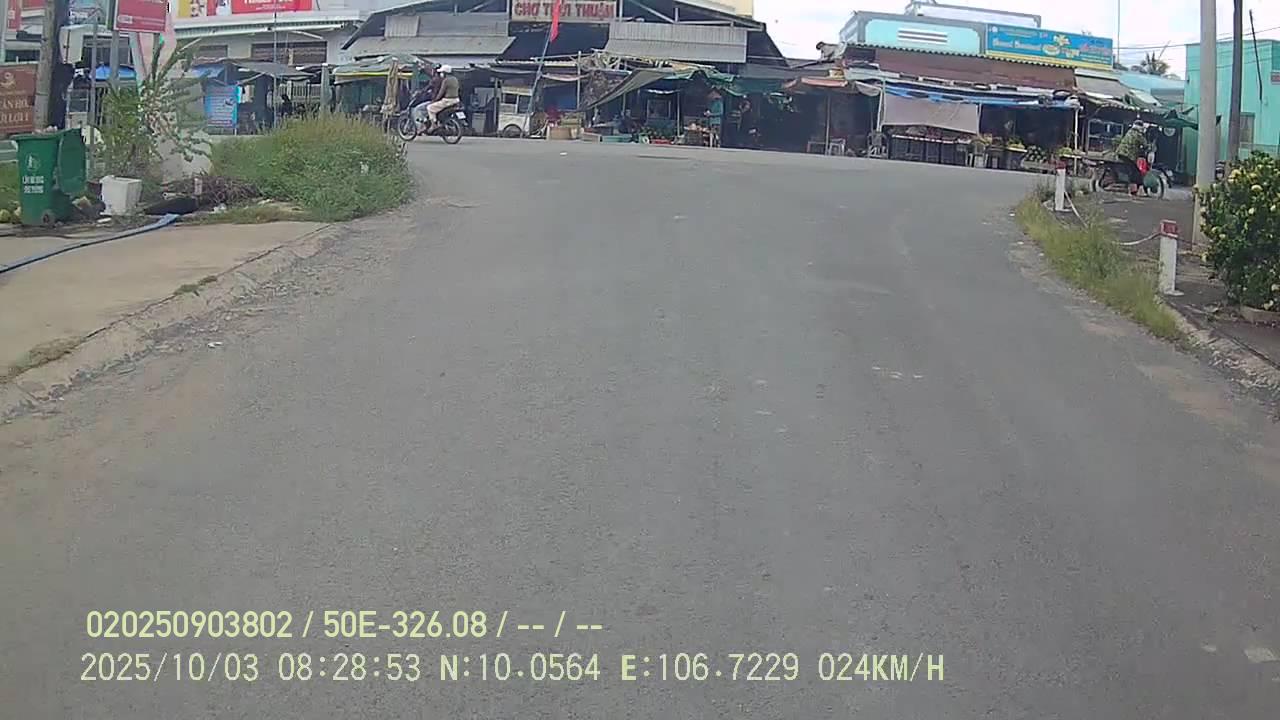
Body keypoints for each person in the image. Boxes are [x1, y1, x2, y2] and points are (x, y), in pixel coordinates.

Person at [1115, 121, 1151, 196]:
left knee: (1132, 171)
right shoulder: (1138, 134)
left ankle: (1133, 190)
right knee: (1135, 172)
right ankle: (1133, 191)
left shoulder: (1130, 131)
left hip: (1121, 153)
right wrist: (1149, 147)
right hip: (1128, 155)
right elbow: (1145, 144)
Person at [424, 65, 461, 130]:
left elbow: (441, 92)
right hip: (456, 100)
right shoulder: (455, 79)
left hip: (447, 101)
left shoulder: (446, 81)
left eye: (442, 72)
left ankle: (433, 125)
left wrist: (435, 100)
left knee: (430, 108)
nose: (441, 74)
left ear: (445, 73)